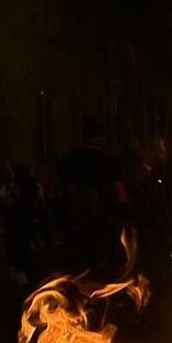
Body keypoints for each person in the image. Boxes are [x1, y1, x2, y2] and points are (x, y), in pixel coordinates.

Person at [54, 117, 130, 277]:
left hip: (74, 225)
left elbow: (56, 189)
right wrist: (123, 215)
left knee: (75, 269)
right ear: (102, 138)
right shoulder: (109, 162)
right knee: (102, 268)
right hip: (103, 226)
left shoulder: (69, 161)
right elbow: (121, 192)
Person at [0, 163, 46, 285]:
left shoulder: (32, 186)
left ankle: (21, 271)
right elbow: (4, 201)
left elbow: (38, 200)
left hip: (23, 222)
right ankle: (18, 271)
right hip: (17, 223)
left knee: (21, 247)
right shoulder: (17, 186)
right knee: (18, 247)